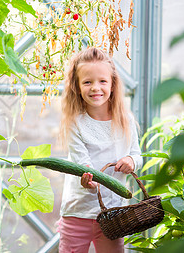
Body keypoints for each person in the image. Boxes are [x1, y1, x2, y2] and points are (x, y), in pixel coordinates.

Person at [57, 47, 143, 253]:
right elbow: (81, 162)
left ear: (113, 85)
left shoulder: (126, 120)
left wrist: (131, 160)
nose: (95, 87)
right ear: (77, 87)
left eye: (102, 81)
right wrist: (88, 176)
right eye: (87, 82)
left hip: (113, 214)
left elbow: (137, 155)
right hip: (78, 211)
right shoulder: (75, 123)